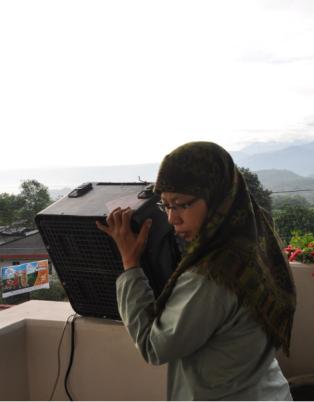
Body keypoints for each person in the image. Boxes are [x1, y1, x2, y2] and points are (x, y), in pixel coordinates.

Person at [96, 141, 296, 400]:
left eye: (182, 204)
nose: (172, 218)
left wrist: (130, 264)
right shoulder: (256, 246)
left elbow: (153, 346)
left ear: (216, 197)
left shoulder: (213, 276)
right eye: (166, 205)